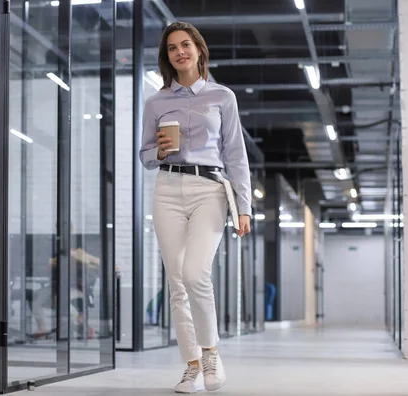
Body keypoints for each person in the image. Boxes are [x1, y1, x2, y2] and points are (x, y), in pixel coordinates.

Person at [139, 21, 252, 393]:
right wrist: (158, 151)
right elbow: (144, 156)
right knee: (176, 281)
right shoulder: (155, 102)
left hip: (210, 190)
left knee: (195, 273)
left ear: (199, 50)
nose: (180, 52)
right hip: (168, 187)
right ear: (167, 57)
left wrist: (244, 206)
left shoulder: (222, 97)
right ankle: (191, 366)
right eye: (172, 48)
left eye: (185, 45)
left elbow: (235, 154)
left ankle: (211, 354)